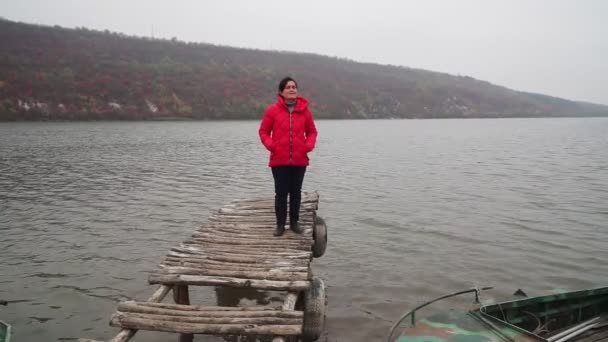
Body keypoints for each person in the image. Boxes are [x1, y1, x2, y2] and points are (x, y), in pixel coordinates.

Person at [259, 77, 318, 237]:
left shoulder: (305, 111)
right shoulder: (272, 110)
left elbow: (312, 132)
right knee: (281, 193)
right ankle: (280, 224)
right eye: (288, 87)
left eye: (294, 87)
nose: (292, 89)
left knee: (296, 192)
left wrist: (308, 146)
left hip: (299, 159)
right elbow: (263, 132)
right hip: (279, 159)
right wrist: (272, 146)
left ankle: (294, 222)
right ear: (281, 92)